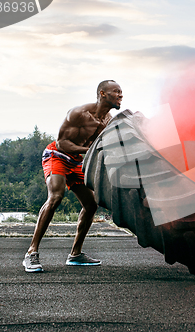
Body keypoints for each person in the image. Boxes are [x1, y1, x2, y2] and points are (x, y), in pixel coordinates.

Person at [23, 80, 123, 272]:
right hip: (57, 155)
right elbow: (62, 144)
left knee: (91, 204)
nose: (120, 95)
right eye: (116, 91)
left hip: (77, 161)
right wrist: (90, 151)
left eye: (121, 92)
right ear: (102, 93)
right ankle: (31, 252)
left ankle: (75, 255)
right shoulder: (79, 114)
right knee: (56, 196)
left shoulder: (108, 120)